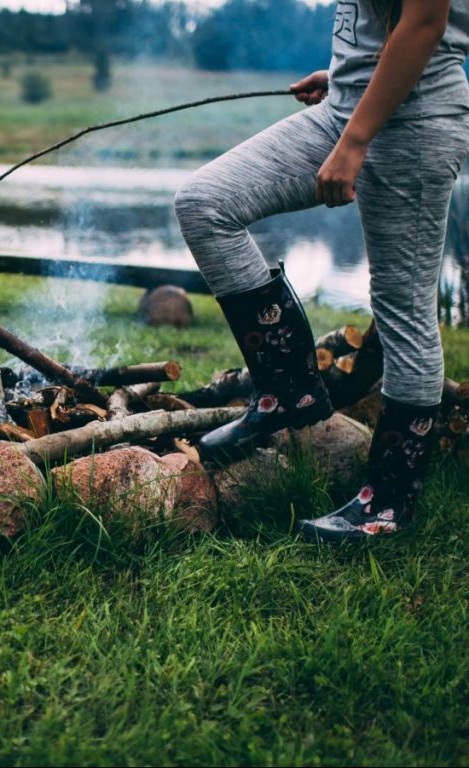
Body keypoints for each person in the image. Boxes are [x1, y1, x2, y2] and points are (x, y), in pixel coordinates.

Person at [174, 0, 469, 542]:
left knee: (403, 311)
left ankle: (386, 503)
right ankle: (287, 390)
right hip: (348, 107)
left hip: (414, 123)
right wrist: (346, 75)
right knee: (205, 203)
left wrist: (355, 141)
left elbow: (428, 21)